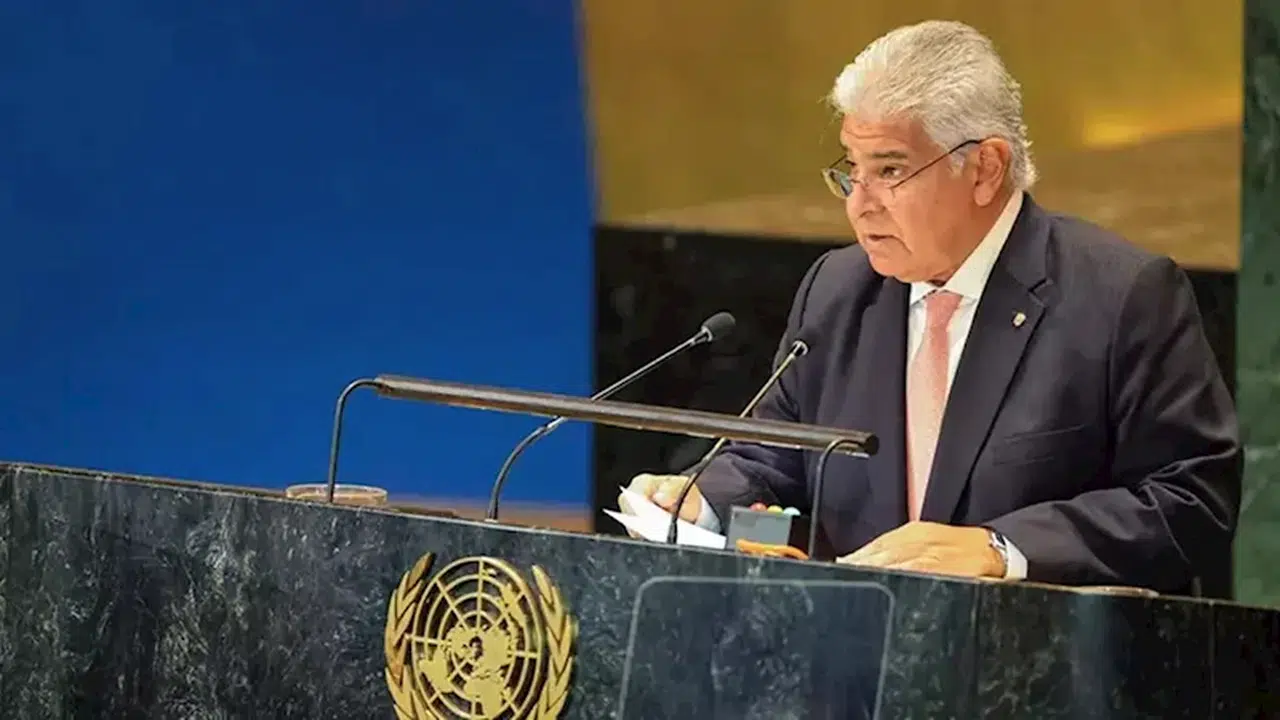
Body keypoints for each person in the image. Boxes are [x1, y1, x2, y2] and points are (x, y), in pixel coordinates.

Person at [621, 20, 1240, 597]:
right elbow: (775, 455)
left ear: (985, 169)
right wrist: (700, 498)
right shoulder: (838, 290)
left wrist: (1001, 549)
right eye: (851, 170)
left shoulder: (1120, 295)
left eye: (890, 170)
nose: (859, 204)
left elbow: (1190, 500)